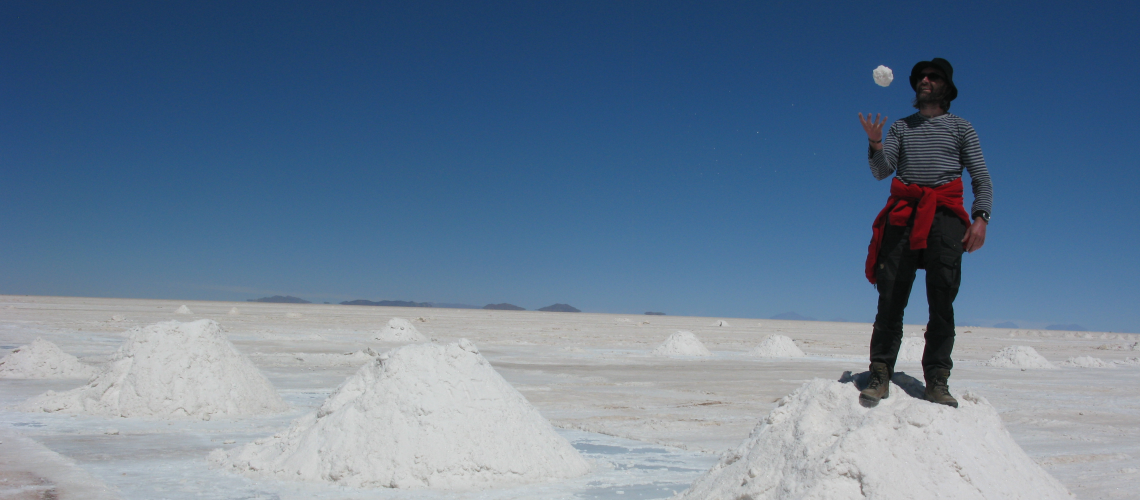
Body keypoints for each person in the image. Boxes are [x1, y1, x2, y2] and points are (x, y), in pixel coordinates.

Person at [856, 58, 992, 408]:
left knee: (942, 302)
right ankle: (880, 372)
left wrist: (981, 217)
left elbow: (981, 177)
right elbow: (881, 172)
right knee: (890, 299)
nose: (925, 81)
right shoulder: (901, 127)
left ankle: (937, 380)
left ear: (946, 87)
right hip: (904, 215)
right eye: (920, 77)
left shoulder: (962, 128)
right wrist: (875, 144)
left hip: (945, 217)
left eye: (932, 77)